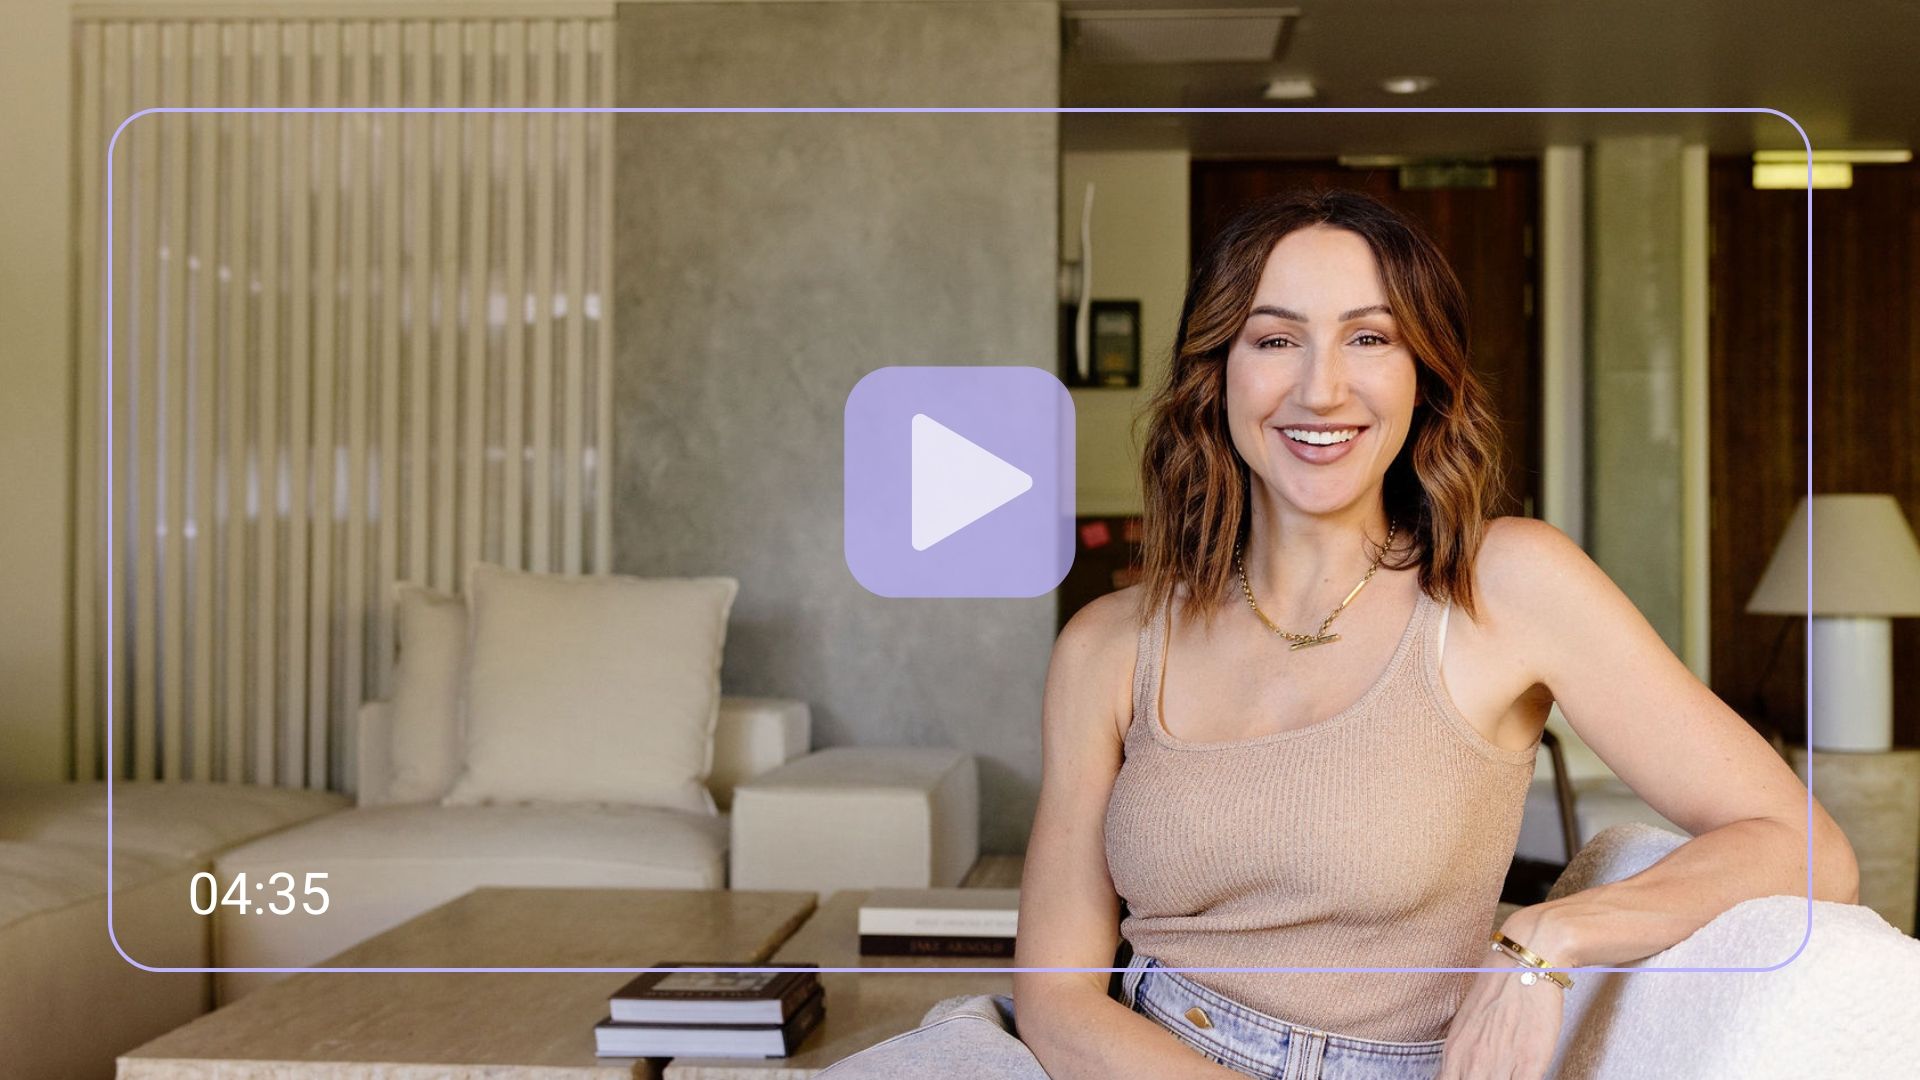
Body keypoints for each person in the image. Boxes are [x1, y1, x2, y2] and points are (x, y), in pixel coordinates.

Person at [819, 188, 1858, 1080]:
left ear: (1424, 373)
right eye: (1275, 339)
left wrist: (1548, 935)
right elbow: (1055, 1000)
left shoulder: (1507, 584)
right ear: (1218, 372)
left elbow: (1805, 850)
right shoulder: (1107, 644)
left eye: (1371, 337)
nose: (1321, 388)